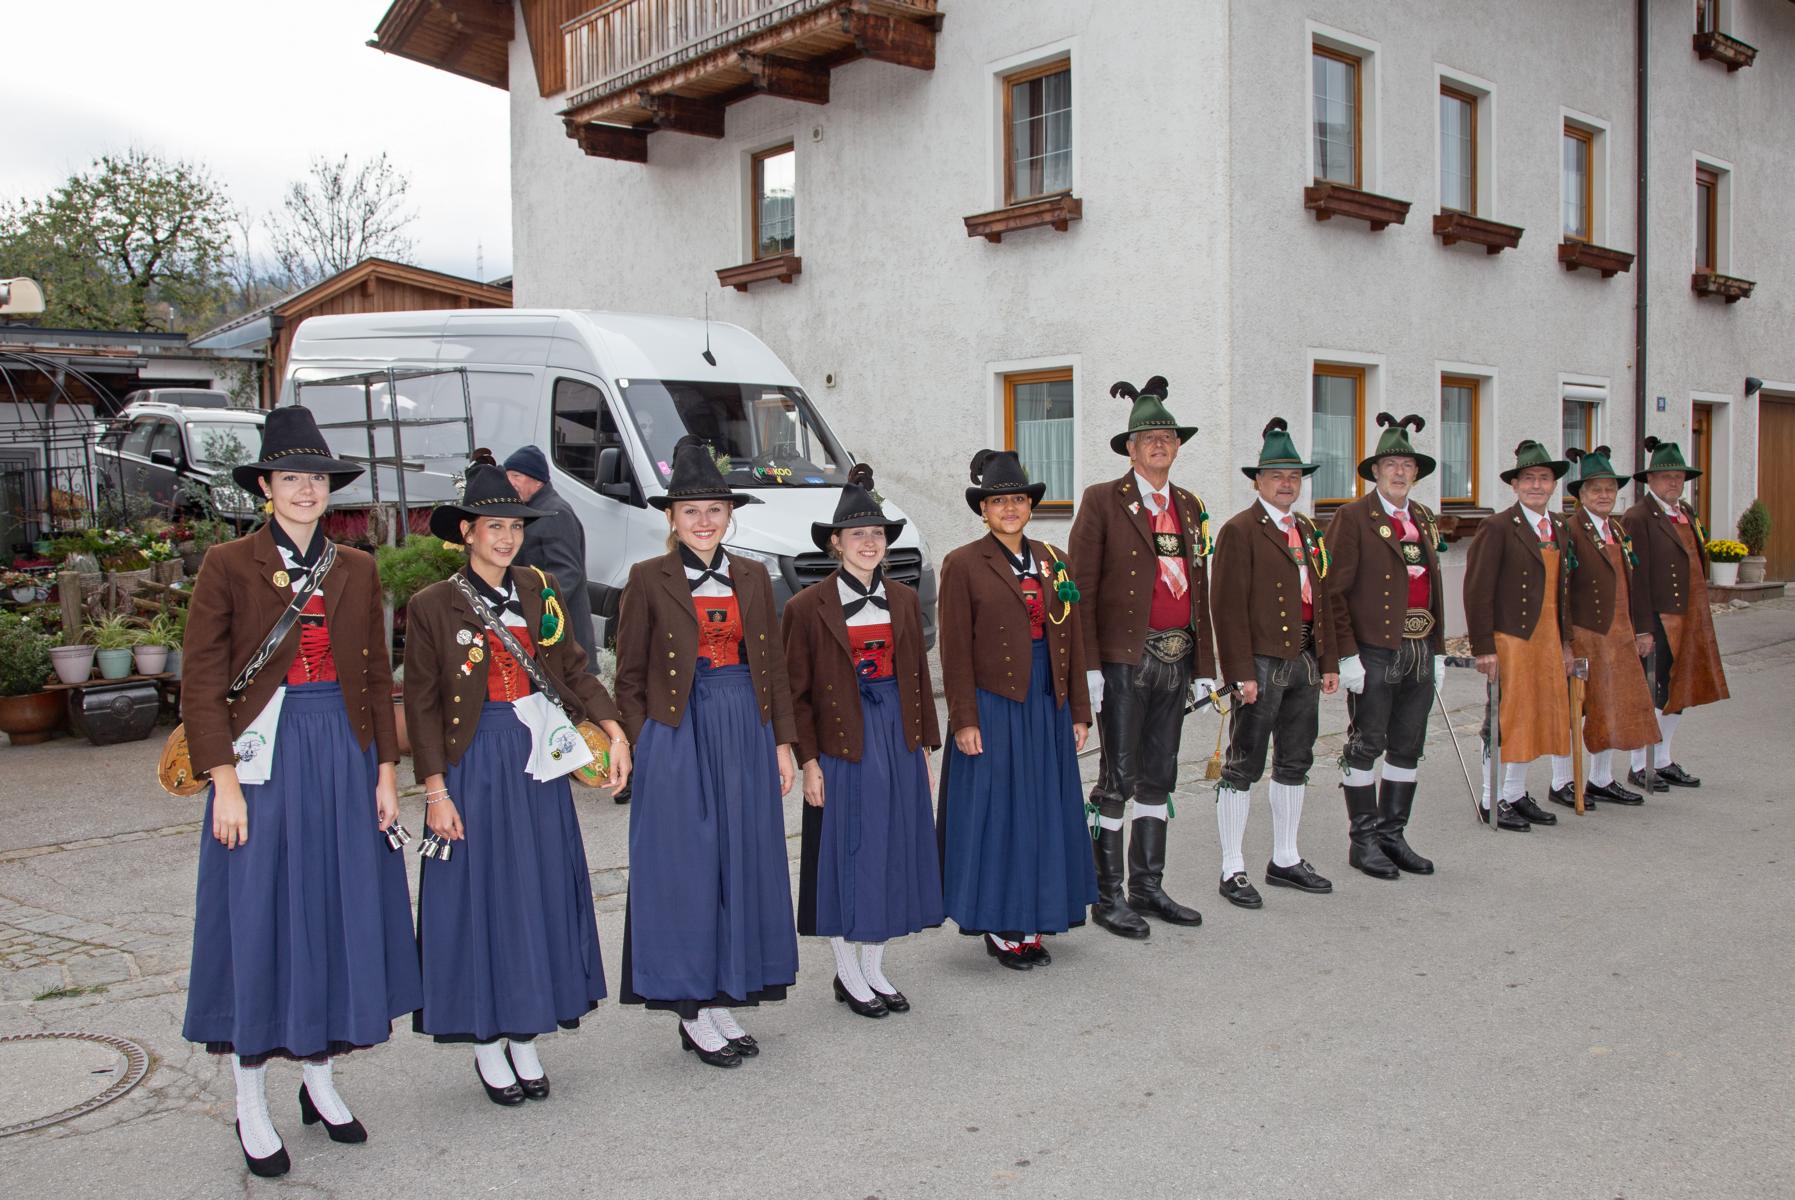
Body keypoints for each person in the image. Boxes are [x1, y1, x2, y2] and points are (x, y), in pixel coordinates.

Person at [180, 406, 422, 1178]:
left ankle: (319, 1077)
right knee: (261, 919)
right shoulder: (227, 562)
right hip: (263, 762)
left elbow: (378, 676)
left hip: (343, 756)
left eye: (315, 479)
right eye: (290, 479)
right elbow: (203, 681)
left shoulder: (357, 567)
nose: (304, 490)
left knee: (334, 911)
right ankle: (249, 1094)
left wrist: (385, 772)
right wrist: (223, 783)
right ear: (266, 486)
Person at [405, 464, 631, 1105]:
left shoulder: (539, 588)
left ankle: (526, 1030)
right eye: (493, 527)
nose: (505, 538)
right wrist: (436, 791)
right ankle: (486, 1040)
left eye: (513, 526)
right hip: (474, 762)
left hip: (537, 759)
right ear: (467, 534)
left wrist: (613, 728)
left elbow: (572, 667)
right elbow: (421, 707)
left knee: (535, 892)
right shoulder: (431, 606)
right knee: (483, 897)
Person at [613, 435, 800, 1067]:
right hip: (678, 729)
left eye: (714, 509)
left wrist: (781, 744)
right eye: (691, 510)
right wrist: (645, 744)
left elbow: (770, 665)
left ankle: (722, 996)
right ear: (670, 518)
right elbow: (629, 677)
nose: (703, 521)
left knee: (736, 863)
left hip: (742, 722)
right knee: (686, 869)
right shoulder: (646, 579)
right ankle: (691, 1009)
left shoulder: (752, 575)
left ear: (729, 515)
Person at [784, 464, 944, 1018]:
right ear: (836, 543)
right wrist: (808, 761)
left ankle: (875, 966)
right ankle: (847, 972)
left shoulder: (903, 600)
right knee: (846, 855)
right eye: (858, 535)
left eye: (877, 534)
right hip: (841, 743)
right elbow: (796, 694)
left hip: (895, 738)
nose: (869, 543)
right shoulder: (805, 609)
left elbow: (918, 678)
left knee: (890, 849)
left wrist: (923, 746)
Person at [937, 449, 1097, 970]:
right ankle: (1002, 924)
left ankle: (1036, 914)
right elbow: (955, 648)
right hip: (995, 703)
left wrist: (1078, 709)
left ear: (1031, 506)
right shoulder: (963, 564)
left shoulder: (1054, 559)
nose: (1009, 508)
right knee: (1000, 814)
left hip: (1046, 702)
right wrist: (964, 718)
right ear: (983, 509)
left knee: (1043, 809)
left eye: (1018, 500)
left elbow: (1071, 636)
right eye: (999, 501)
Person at [1069, 376, 1214, 937]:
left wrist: (1206, 668)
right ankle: (1107, 896)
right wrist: (1089, 670)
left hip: (1176, 658)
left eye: (1168, 437)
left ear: (1177, 448)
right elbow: (1078, 587)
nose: (1159, 444)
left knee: (1160, 775)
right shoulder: (1103, 501)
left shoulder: (1190, 506)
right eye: (1148, 437)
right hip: (1125, 661)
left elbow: (1200, 590)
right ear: (1130, 449)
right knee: (1118, 777)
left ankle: (1148, 887)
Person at [1208, 419, 1339, 907]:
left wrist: (1328, 659)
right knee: (1244, 763)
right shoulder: (1240, 530)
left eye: (1294, 476)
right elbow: (1227, 607)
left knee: (1296, 760)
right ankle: (1232, 866)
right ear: (1257, 481)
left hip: (1304, 659)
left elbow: (1321, 596)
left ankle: (1285, 857)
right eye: (1277, 475)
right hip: (1259, 663)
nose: (1287, 483)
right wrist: (1239, 671)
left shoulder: (1306, 529)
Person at [1325, 413, 1445, 879]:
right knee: (1367, 743)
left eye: (1407, 465)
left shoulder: (1423, 518)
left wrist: (1437, 649)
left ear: (1416, 473)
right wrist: (1346, 654)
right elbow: (1332, 591)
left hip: (1418, 646)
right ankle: (1364, 839)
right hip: (1375, 649)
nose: (1399, 472)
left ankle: (1393, 835)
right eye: (1391, 464)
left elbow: (1433, 586)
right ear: (1375, 471)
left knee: (1408, 746)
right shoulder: (1353, 518)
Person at [1463, 441, 1574, 830]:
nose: (1537, 486)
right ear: (1515, 485)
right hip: (1511, 637)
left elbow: (1564, 590)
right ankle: (1490, 800)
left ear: (1554, 485)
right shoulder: (1497, 527)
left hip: (1547, 637)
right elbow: (1477, 589)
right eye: (1528, 479)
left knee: (1534, 715)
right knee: (1504, 717)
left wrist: (1566, 642)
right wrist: (1483, 647)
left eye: (1544, 479)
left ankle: (1514, 792)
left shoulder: (1558, 526)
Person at [1546, 447, 1658, 808]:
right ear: (1580, 494)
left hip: (1619, 633)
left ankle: (1600, 778)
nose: (1604, 495)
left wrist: (1641, 629)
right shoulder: (1568, 530)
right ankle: (1562, 781)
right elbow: (1558, 589)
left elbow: (1635, 582)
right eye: (1596, 489)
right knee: (1572, 708)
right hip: (1584, 632)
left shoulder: (1619, 530)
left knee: (1611, 705)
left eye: (1610, 488)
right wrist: (1564, 639)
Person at [1622, 436, 1730, 790]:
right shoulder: (1638, 516)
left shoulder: (1686, 511)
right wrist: (1642, 628)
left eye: (1679, 476)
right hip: (1658, 617)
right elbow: (1635, 577)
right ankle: (1641, 764)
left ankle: (1664, 758)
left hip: (1689, 614)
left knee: (1679, 689)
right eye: (1666, 476)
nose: (1673, 482)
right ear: (1650, 480)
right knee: (1653, 691)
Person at [504, 446, 599, 674]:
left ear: (537, 481)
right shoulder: (535, 511)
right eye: (508, 476)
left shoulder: (555, 513)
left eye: (516, 476)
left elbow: (567, 572)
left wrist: (533, 607)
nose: (510, 482)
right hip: (551, 633)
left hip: (563, 636)